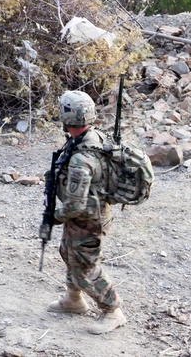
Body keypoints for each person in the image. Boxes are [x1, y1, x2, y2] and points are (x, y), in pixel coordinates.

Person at [47, 90, 128, 335]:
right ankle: (74, 300)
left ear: (66, 118)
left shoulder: (82, 160)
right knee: (68, 253)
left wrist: (55, 216)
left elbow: (74, 206)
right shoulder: (88, 138)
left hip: (89, 220)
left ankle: (113, 310)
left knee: (85, 267)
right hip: (83, 218)